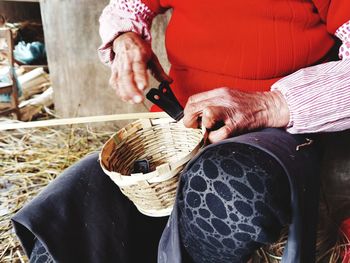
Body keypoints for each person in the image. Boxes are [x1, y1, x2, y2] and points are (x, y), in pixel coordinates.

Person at [12, 0, 350, 262]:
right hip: (180, 122)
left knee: (225, 191)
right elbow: (128, 6)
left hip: (274, 127)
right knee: (82, 202)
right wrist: (125, 38)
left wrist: (268, 104)